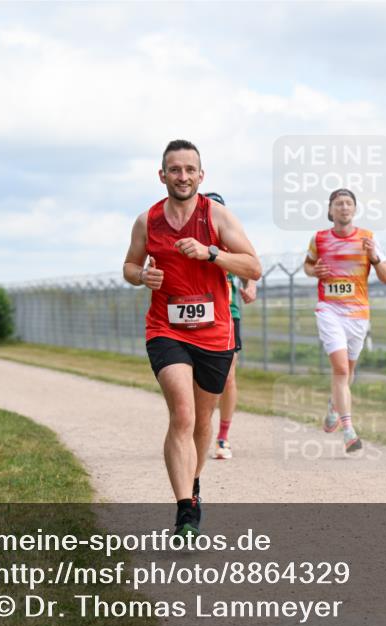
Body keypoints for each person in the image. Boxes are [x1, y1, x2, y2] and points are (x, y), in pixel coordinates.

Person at [123, 140, 261, 537]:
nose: (182, 176)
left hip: (216, 332)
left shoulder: (216, 216)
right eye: (174, 169)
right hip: (166, 329)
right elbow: (130, 265)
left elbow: (254, 265)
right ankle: (186, 512)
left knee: (203, 421)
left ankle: (193, 483)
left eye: (189, 169)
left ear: (201, 176)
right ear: (162, 175)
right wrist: (140, 276)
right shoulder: (147, 221)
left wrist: (211, 253)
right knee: (182, 414)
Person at [304, 188, 386, 453]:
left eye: (348, 203)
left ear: (354, 209)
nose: (343, 207)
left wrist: (374, 257)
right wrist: (314, 271)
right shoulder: (319, 238)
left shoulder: (368, 238)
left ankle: (334, 404)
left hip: (357, 315)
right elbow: (307, 264)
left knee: (348, 371)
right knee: (341, 369)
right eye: (338, 203)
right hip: (329, 310)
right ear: (330, 211)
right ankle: (349, 431)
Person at [202, 192, 257, 461]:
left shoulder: (231, 242)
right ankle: (199, 428)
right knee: (197, 379)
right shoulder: (193, 243)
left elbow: (252, 267)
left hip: (228, 314)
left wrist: (251, 287)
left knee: (227, 375)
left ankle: (223, 437)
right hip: (197, 317)